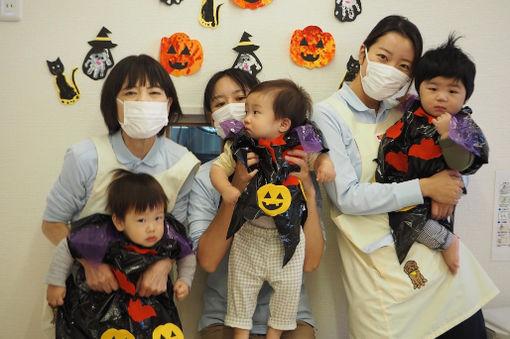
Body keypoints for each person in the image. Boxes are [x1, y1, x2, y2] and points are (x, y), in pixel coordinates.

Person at [312, 15, 498, 339]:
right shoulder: (327, 113)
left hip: (439, 259)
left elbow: (458, 159)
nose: (391, 70)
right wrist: (427, 187)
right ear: (363, 52)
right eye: (384, 57)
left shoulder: (407, 110)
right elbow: (347, 198)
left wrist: (449, 187)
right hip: (380, 271)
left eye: (404, 66)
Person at [41, 54, 200, 334]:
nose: (143, 101)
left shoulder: (183, 163)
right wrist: (88, 262)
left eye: (153, 92)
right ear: (113, 105)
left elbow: (177, 233)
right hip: (88, 302)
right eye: (130, 93)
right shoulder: (84, 157)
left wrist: (164, 265)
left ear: (168, 103)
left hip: (151, 303)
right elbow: (52, 224)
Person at [188, 68, 325, 339]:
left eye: (242, 99)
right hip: (224, 317)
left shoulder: (295, 166)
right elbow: (209, 262)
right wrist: (236, 187)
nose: (237, 112)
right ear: (210, 117)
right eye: (219, 104)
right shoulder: (206, 178)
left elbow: (310, 262)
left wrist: (307, 186)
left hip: (292, 318)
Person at [375, 34, 489, 273]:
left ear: (465, 95)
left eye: (452, 91)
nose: (441, 97)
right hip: (403, 186)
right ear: (420, 89)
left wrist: (449, 136)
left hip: (428, 200)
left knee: (417, 226)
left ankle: (449, 243)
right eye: (433, 88)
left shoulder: (461, 124)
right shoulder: (414, 107)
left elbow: (464, 163)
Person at [45, 169, 195, 338]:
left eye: (158, 218)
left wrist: (184, 280)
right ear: (119, 222)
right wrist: (56, 283)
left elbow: (187, 253)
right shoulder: (102, 234)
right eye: (141, 220)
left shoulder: (168, 233)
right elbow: (67, 246)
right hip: (102, 311)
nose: (152, 227)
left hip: (151, 313)